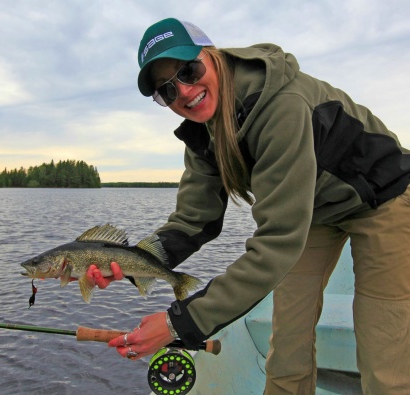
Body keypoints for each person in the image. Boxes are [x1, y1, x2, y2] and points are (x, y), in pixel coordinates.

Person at [89, 18, 409, 394]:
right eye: (166, 91)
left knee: (382, 348)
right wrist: (130, 265)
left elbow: (277, 242)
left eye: (188, 70)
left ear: (212, 54)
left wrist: (180, 323)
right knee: (287, 346)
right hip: (313, 214)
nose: (185, 92)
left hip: (381, 198)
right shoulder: (203, 132)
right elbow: (194, 220)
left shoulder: (280, 107)